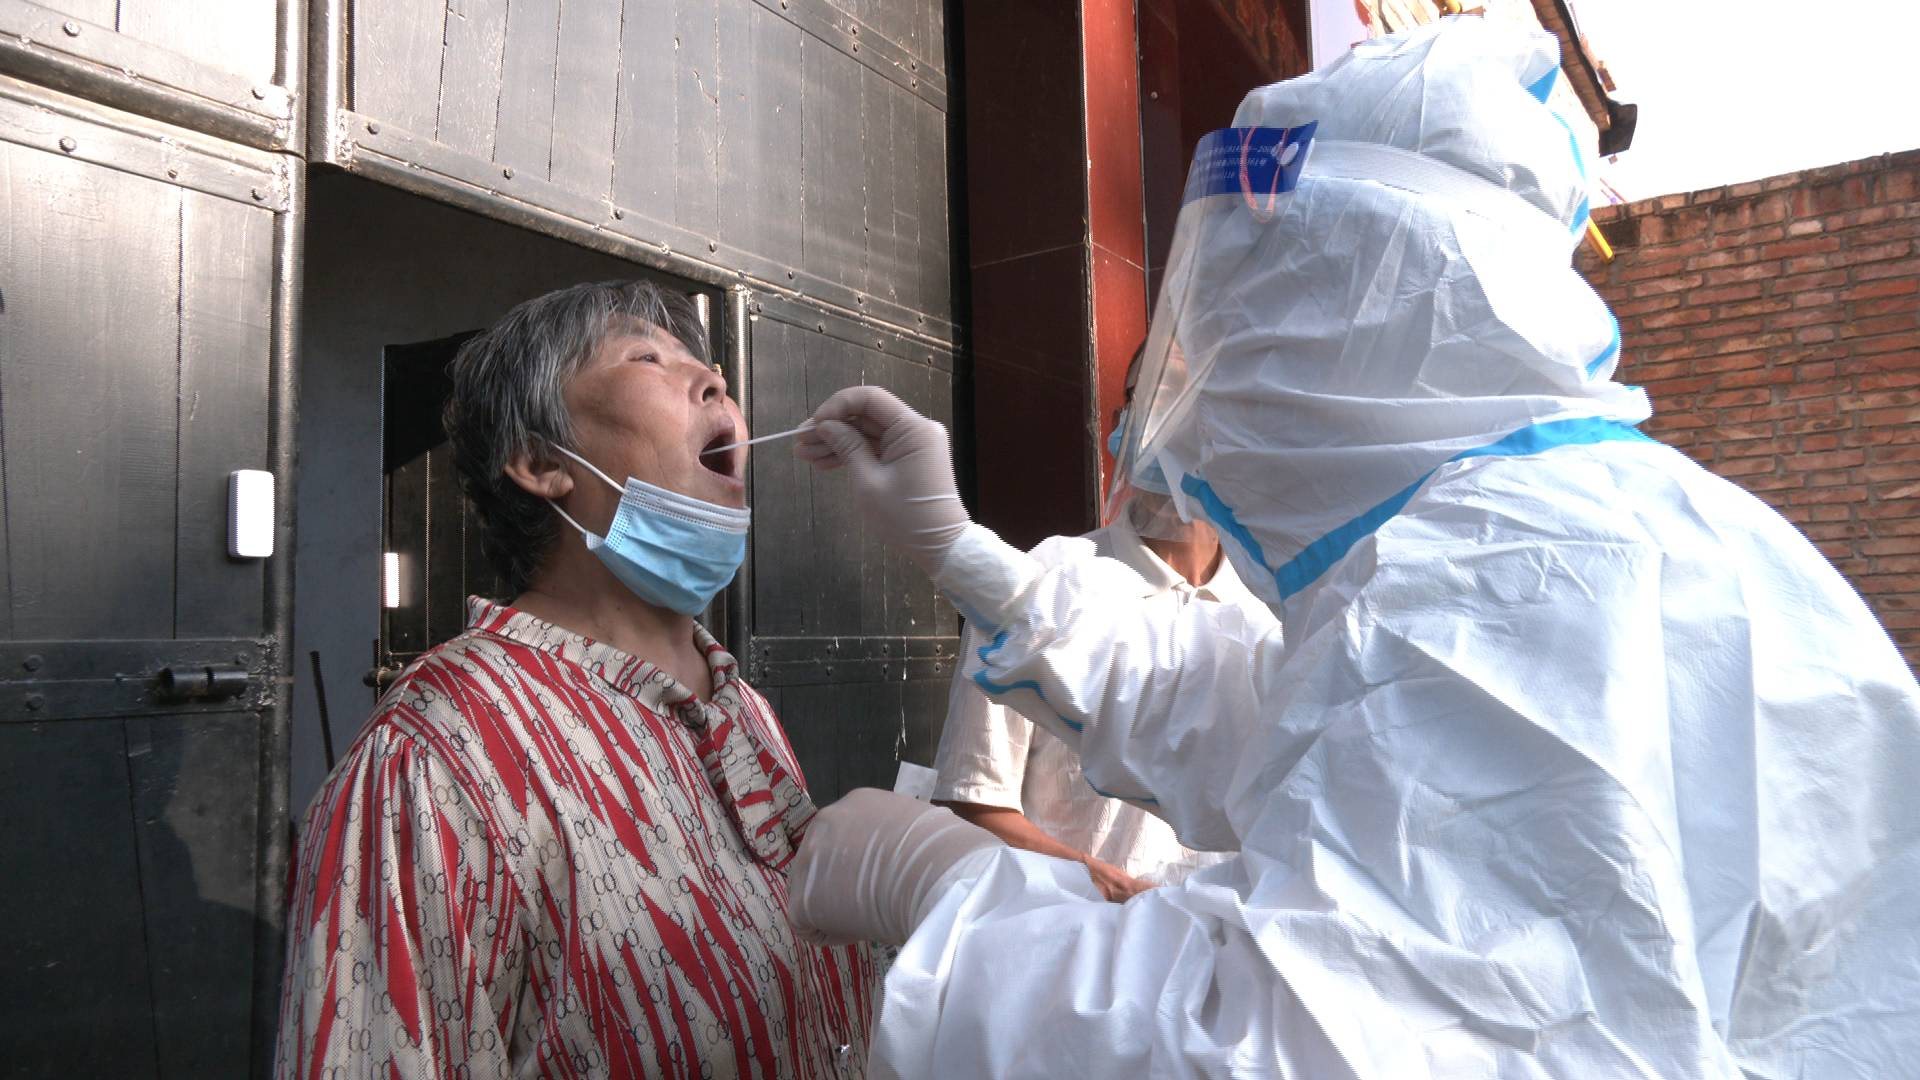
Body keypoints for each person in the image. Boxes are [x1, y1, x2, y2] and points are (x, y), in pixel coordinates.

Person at [784, 19, 1920, 1080]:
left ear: (1348, 311)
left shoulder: (1508, 581)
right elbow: (1261, 723)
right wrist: (968, 556)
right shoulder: (1527, 540)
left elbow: (1286, 1050)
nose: (1201, 401)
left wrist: (945, 893)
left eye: (1232, 329)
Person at [275, 281, 881, 1078]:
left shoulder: (742, 706)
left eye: (707, 366)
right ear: (538, 462)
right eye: (648, 357)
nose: (714, 381)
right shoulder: (435, 757)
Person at [930, 352, 1275, 901]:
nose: (1176, 423)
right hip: (1075, 938)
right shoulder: (1046, 584)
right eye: (1157, 397)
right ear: (1123, 421)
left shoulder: (1274, 614)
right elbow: (973, 800)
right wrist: (1103, 884)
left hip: (1226, 943)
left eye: (1201, 402)